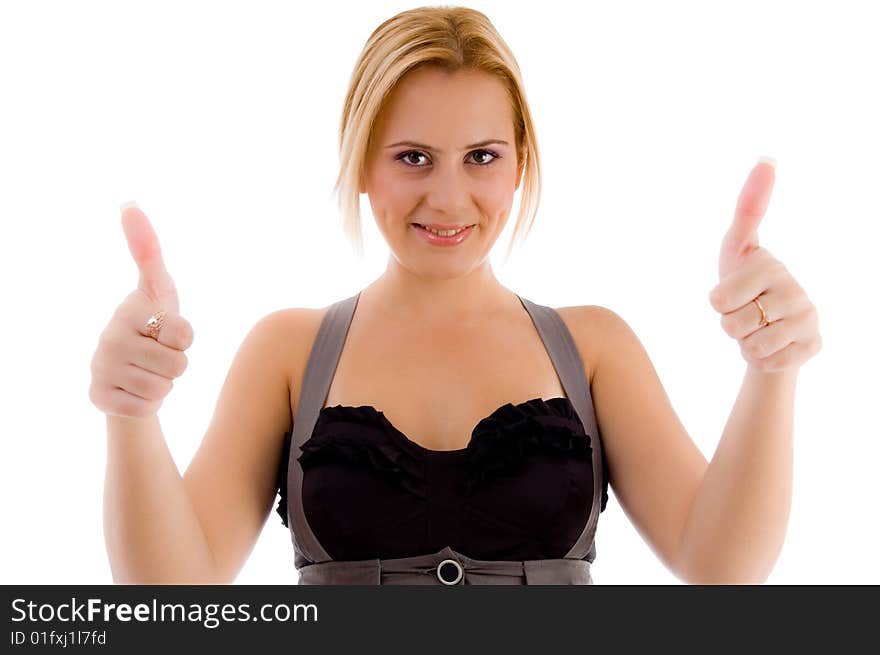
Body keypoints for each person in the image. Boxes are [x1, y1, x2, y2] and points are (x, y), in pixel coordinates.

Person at [90, 5, 821, 585]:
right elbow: (171, 596)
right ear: (363, 161)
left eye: (481, 157)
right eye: (414, 157)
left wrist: (772, 367)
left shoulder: (594, 349)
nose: (448, 198)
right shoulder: (287, 351)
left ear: (519, 164)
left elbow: (723, 570)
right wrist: (132, 413)